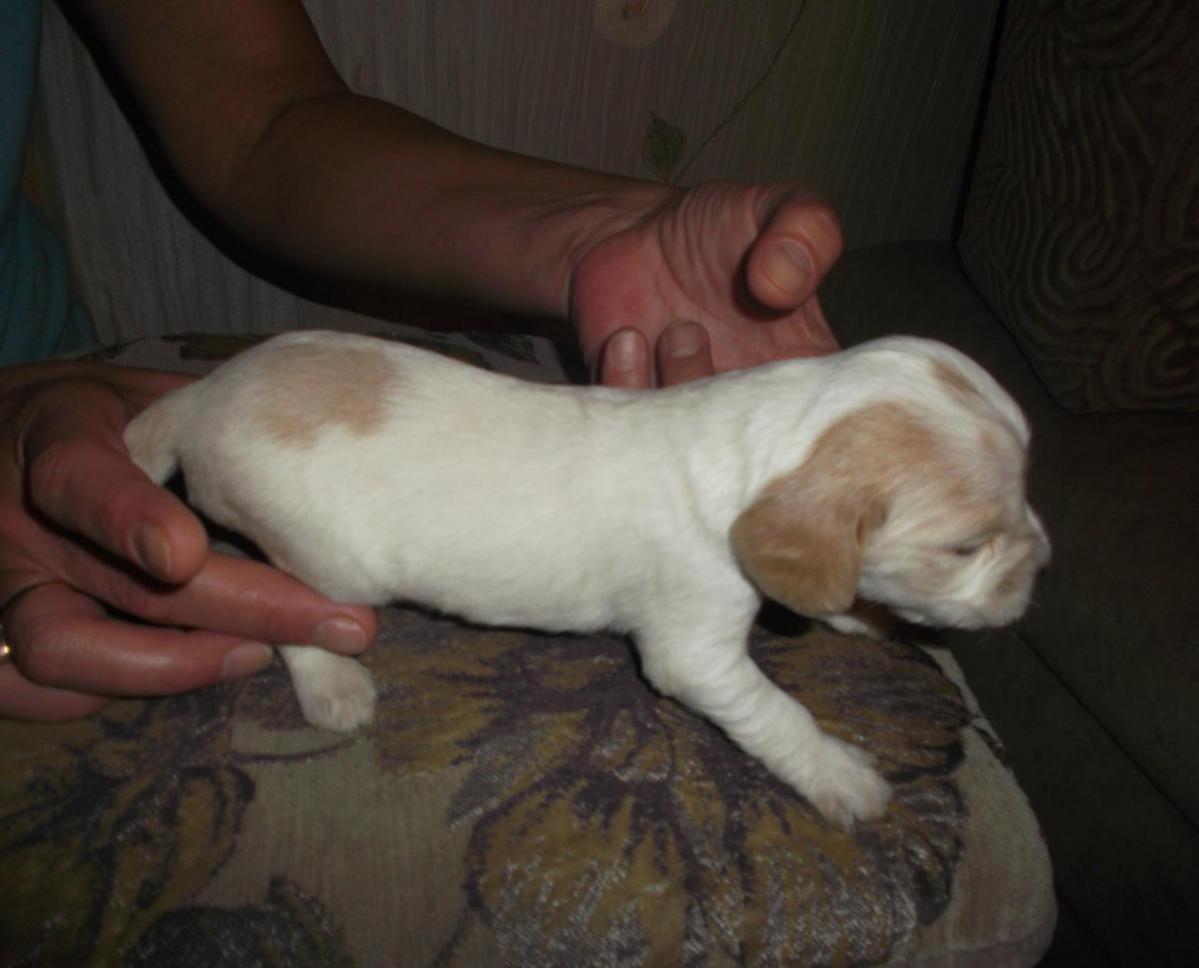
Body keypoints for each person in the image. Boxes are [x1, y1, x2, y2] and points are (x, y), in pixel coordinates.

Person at [0, 0, 843, 721]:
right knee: (344, 557)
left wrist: (608, 233)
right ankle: (306, 624)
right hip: (108, 453)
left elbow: (266, 122)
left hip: (69, 374)